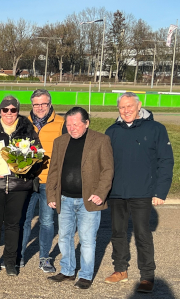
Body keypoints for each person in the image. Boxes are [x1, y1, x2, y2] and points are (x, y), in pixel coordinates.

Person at [104, 92, 174, 293]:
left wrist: (161, 191)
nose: (126, 111)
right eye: (122, 107)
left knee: (143, 234)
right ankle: (120, 269)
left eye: (129, 106)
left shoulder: (155, 129)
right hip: (117, 192)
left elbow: (166, 161)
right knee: (118, 233)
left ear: (139, 105)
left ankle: (147, 275)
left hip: (143, 192)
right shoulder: (111, 131)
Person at [45, 107, 114, 289]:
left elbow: (108, 170)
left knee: (87, 239)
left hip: (89, 201)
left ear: (86, 123)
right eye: (68, 124)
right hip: (65, 199)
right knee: (64, 237)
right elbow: (53, 171)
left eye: (76, 124)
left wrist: (100, 193)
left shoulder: (101, 140)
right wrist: (51, 194)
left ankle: (85, 275)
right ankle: (67, 271)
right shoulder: (60, 142)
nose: (72, 128)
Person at [0, 96, 40, 276]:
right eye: (5, 110)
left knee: (14, 225)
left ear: (18, 111)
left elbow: (38, 156)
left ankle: (10, 261)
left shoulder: (28, 131)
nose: (9, 113)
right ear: (0, 111)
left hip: (18, 186)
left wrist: (27, 167)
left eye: (13, 110)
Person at [19, 89, 65, 272]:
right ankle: (19, 256)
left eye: (44, 104)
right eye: (36, 104)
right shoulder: (23, 123)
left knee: (47, 221)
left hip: (49, 181)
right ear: (31, 105)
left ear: (50, 104)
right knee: (24, 220)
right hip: (27, 180)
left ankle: (44, 258)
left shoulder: (61, 123)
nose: (40, 107)